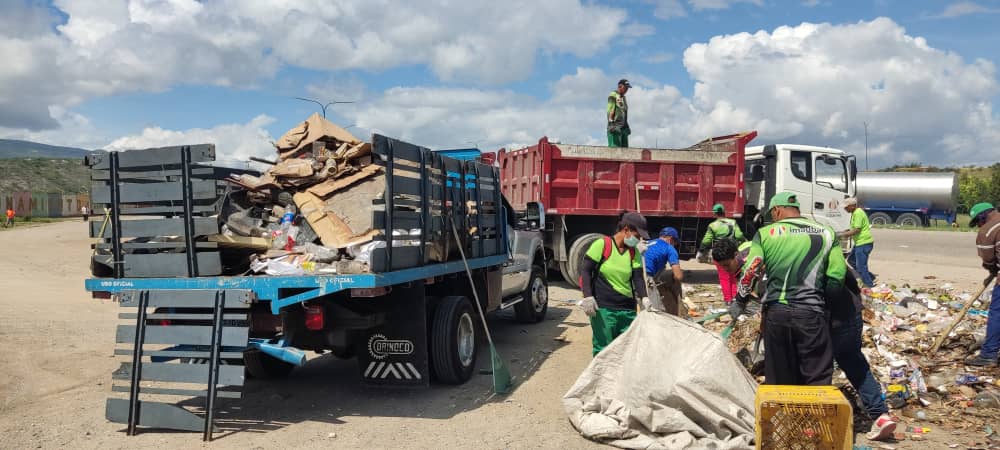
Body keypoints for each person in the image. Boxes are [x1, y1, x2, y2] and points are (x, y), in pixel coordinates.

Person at [731, 192, 847, 386]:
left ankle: (785, 414)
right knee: (816, 375)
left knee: (779, 376)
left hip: (777, 316)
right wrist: (827, 308)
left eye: (771, 214)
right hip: (811, 314)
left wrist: (739, 301)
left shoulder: (766, 234)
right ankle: (813, 414)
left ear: (777, 210)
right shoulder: (827, 233)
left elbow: (751, 270)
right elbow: (837, 276)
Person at [829, 266, 898, 440]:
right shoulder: (830, 248)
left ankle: (819, 419)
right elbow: (853, 282)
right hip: (851, 314)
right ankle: (881, 416)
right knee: (856, 364)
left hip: (828, 317)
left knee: (816, 367)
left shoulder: (803, 253)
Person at [579, 212, 650, 355]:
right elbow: (586, 271)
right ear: (626, 230)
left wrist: (644, 298)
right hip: (604, 309)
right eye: (637, 236)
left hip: (628, 309)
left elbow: (638, 278)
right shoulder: (602, 245)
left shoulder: (633, 252)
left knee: (626, 350)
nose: (638, 240)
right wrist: (587, 296)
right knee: (603, 350)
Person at [966, 202, 1000, 366]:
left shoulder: (988, 230)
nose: (978, 226)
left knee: (997, 315)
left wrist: (993, 270)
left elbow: (988, 259)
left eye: (977, 222)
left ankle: (988, 355)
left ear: (982, 216)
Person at [700, 203, 746, 303]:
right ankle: (735, 298)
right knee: (734, 276)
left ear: (715, 214)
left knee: (724, 278)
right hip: (732, 253)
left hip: (720, 254)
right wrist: (744, 243)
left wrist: (701, 250)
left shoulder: (713, 225)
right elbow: (739, 235)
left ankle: (728, 300)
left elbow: (707, 240)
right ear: (724, 212)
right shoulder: (733, 222)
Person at [643, 227, 685, 316]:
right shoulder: (669, 248)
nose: (675, 245)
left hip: (632, 275)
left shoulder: (648, 243)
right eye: (675, 242)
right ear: (671, 239)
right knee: (657, 312)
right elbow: (678, 276)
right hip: (645, 276)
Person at [839, 198, 875, 288]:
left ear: (852, 206)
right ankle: (870, 277)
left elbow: (856, 230)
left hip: (863, 243)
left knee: (861, 267)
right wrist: (846, 231)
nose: (845, 209)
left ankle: (869, 285)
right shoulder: (855, 213)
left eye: (846, 207)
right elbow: (855, 228)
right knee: (851, 261)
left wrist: (842, 235)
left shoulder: (858, 213)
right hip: (859, 243)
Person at [607, 79, 631, 148]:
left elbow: (624, 113)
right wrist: (611, 124)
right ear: (620, 86)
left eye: (627, 88)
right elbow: (610, 109)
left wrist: (627, 126)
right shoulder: (613, 95)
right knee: (615, 151)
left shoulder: (623, 98)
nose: (626, 90)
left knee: (625, 152)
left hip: (623, 128)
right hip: (615, 127)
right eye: (625, 87)